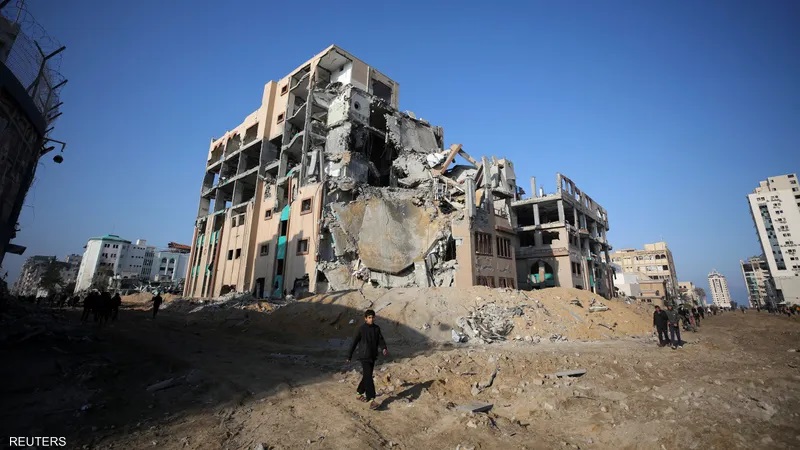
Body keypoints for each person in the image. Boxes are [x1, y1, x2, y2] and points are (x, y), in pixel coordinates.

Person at [347, 309, 388, 410]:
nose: (371, 319)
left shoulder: (376, 328)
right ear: (365, 318)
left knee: (367, 376)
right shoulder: (361, 329)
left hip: (372, 356)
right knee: (369, 377)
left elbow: (381, 340)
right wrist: (349, 356)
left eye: (372, 317)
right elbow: (354, 343)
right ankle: (371, 400)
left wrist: (384, 348)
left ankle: (359, 393)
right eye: (369, 317)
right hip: (364, 356)